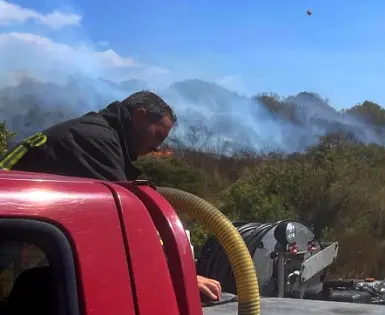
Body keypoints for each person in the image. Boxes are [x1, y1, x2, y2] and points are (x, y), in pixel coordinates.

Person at [0, 90, 223, 301]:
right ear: (140, 116)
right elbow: (122, 224)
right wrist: (178, 277)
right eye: (158, 135)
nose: (157, 147)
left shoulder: (91, 133)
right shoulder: (95, 141)